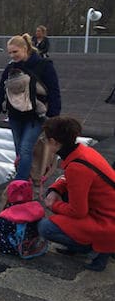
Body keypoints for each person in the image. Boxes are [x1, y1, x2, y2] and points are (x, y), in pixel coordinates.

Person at [38, 116, 115, 272]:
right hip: (106, 212)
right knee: (61, 198)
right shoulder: (83, 152)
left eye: (46, 140)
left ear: (54, 142)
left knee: (45, 227)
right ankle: (84, 243)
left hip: (108, 220)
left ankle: (89, 246)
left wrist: (54, 205)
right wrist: (55, 189)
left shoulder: (77, 167)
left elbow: (78, 212)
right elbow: (70, 181)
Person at [0, 33, 61, 181]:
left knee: (26, 148)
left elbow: (54, 91)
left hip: (36, 116)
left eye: (15, 52)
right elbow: (1, 90)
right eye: (10, 53)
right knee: (20, 150)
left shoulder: (44, 65)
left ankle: (20, 181)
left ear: (25, 48)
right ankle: (25, 178)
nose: (12, 55)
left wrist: (53, 115)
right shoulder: (11, 68)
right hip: (16, 115)